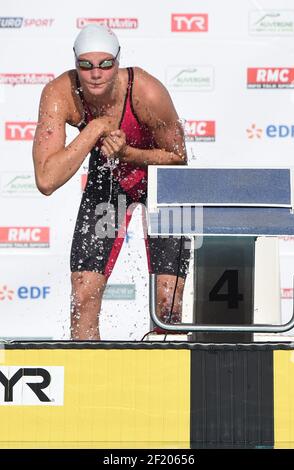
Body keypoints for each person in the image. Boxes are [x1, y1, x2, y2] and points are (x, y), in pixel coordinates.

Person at [32, 24, 190, 340]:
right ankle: (88, 375)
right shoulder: (60, 93)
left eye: (105, 64)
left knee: (167, 300)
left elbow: (178, 157)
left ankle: (165, 376)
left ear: (117, 62)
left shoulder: (146, 91)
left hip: (163, 182)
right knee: (83, 294)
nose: (96, 73)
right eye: (86, 65)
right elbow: (46, 180)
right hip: (108, 177)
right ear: (75, 66)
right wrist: (95, 129)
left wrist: (128, 152)